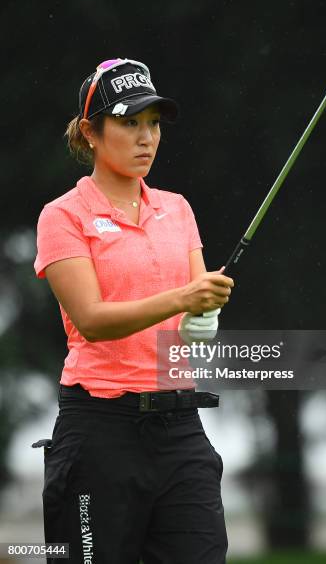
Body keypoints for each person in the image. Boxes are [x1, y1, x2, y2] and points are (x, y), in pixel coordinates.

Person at [31, 58, 234, 564]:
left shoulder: (178, 209)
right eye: (129, 122)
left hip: (180, 427)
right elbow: (93, 320)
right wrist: (183, 300)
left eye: (154, 124)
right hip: (100, 431)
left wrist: (203, 317)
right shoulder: (63, 216)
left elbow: (192, 305)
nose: (146, 138)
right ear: (90, 132)